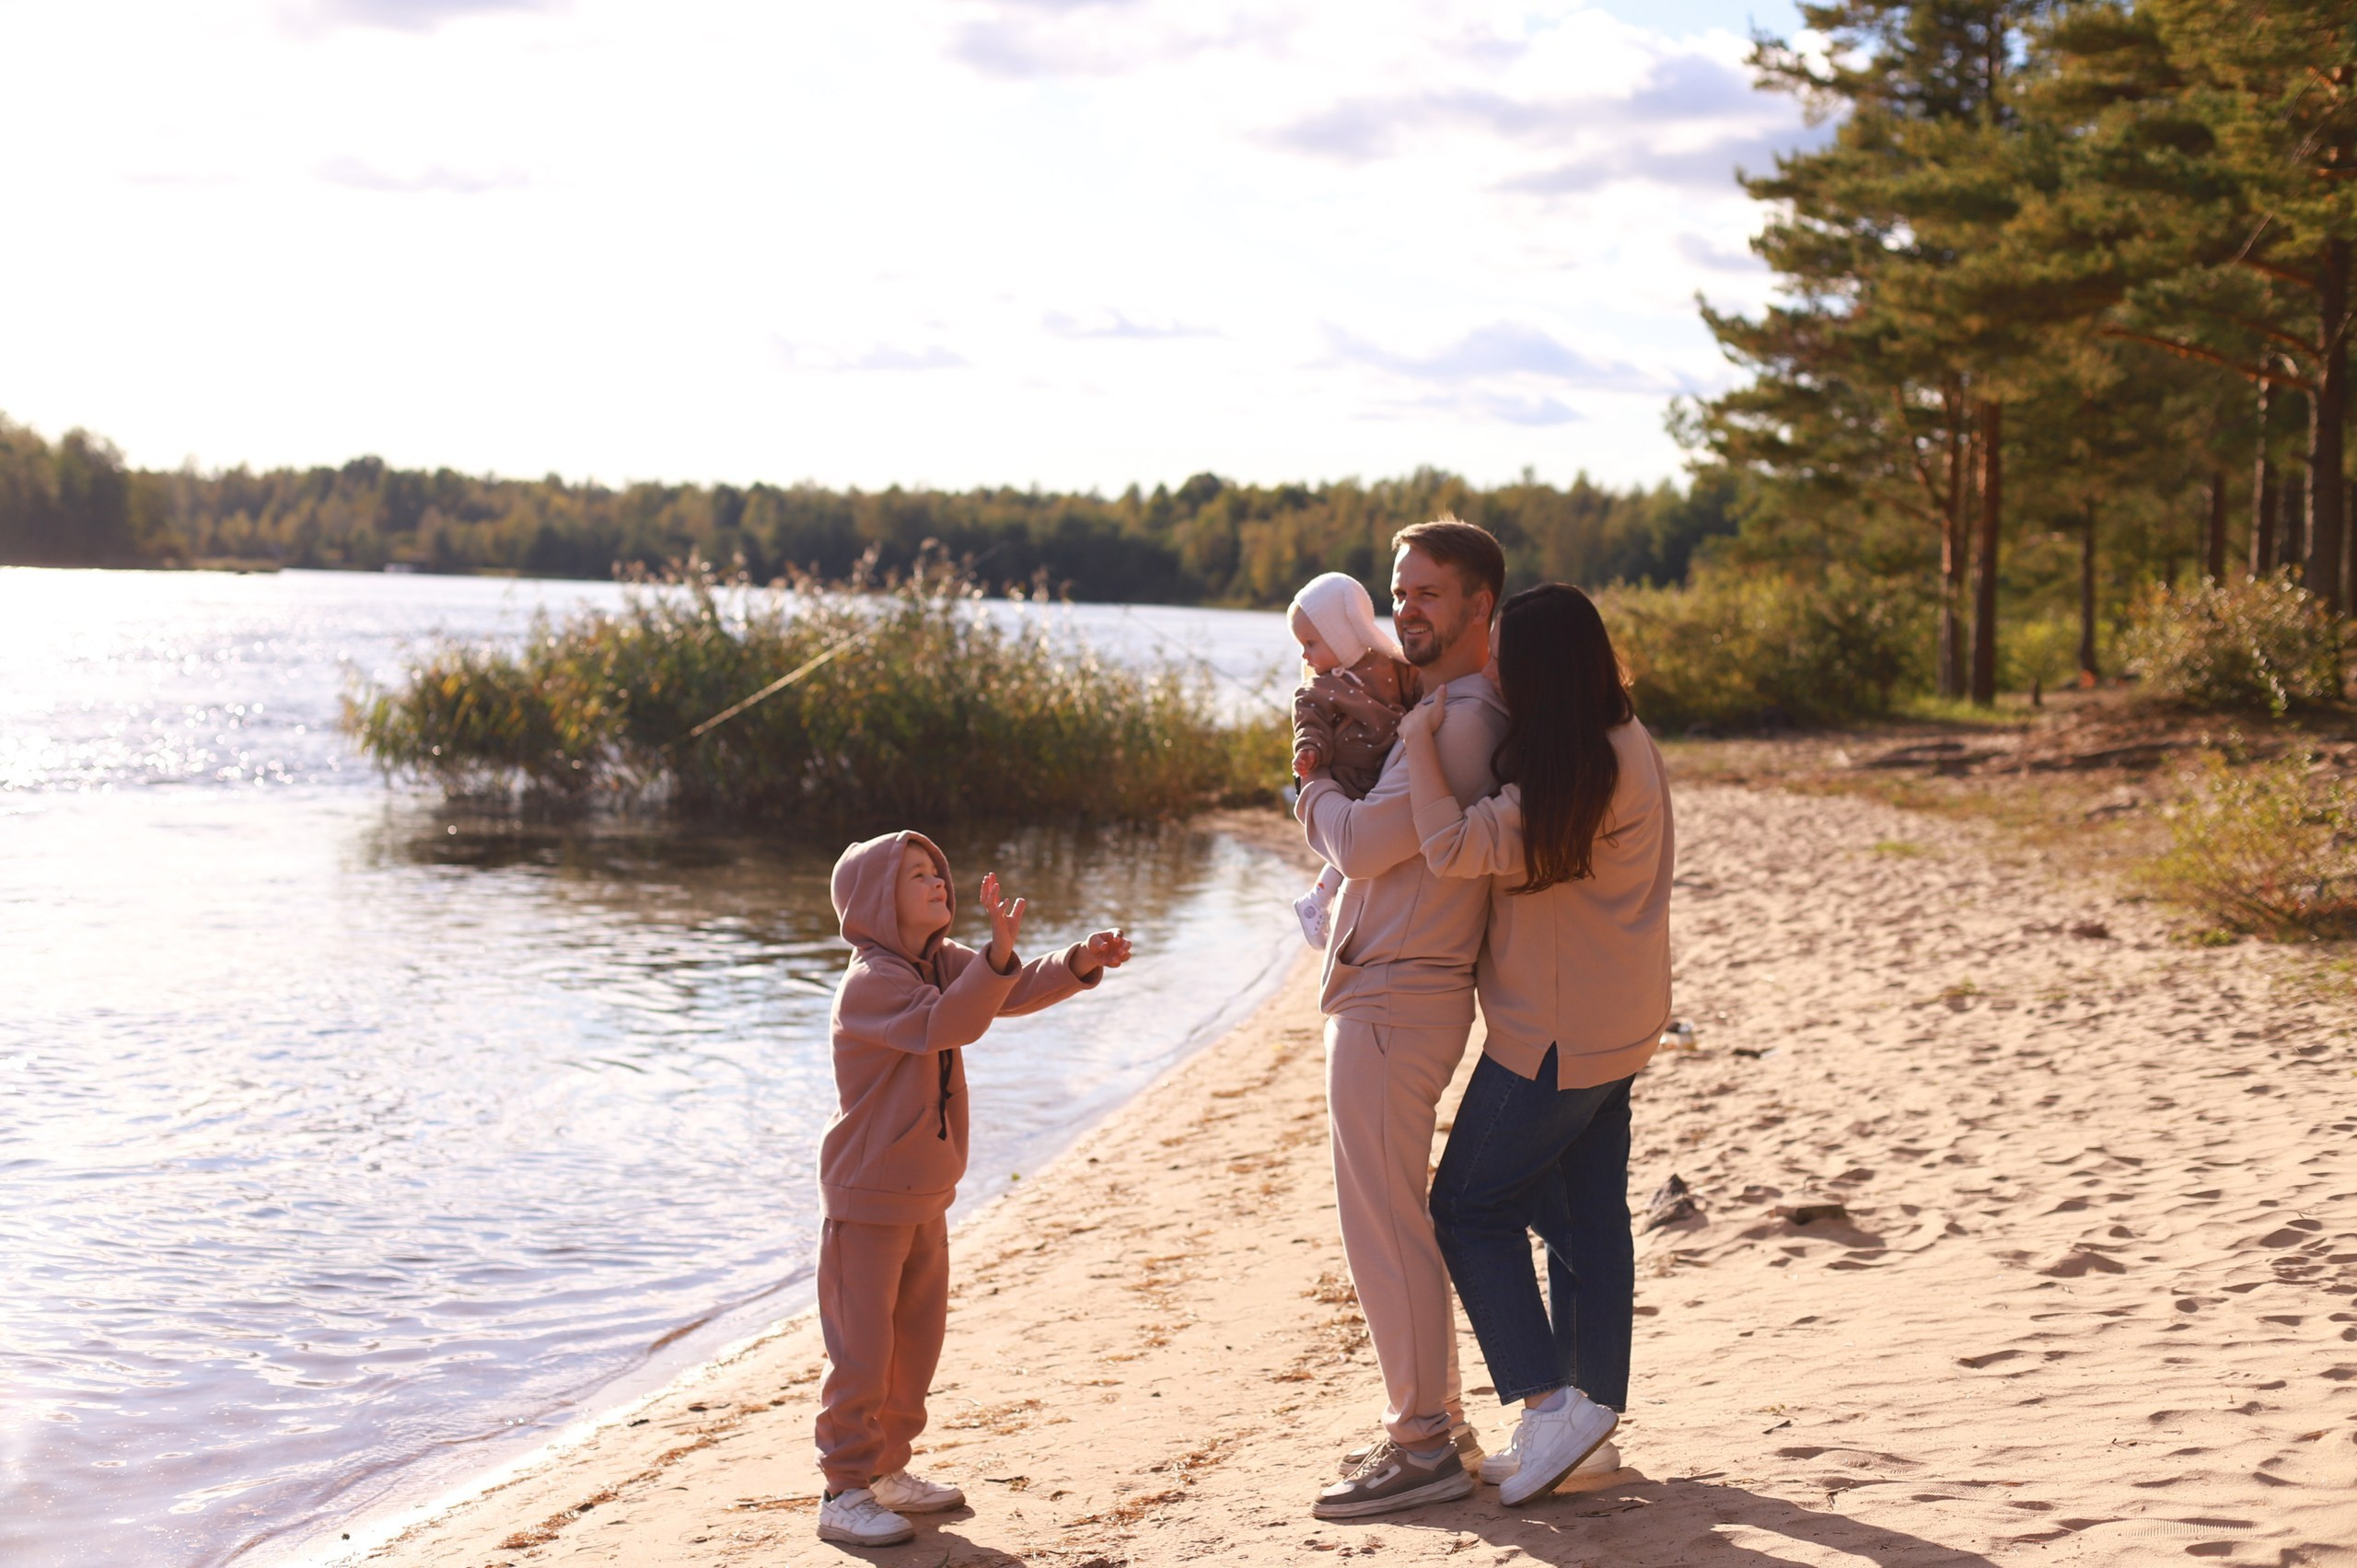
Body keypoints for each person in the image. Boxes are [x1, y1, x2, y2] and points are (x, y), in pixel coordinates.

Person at [1395, 582, 1674, 1508]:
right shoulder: (1624, 738)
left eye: (1505, 657)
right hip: (1621, 1018)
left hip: (1553, 1033)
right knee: (1587, 1218)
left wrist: (1417, 742)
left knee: (1468, 1205)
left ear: (1540, 671)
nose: (1492, 668)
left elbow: (1449, 845)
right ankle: (1585, 1427)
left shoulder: (1573, 774)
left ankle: (1550, 1402)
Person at [813, 831, 1132, 1548]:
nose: (938, 882)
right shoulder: (872, 982)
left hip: (925, 1191)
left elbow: (1006, 990)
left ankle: (886, 1469)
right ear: (875, 900)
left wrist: (1079, 959)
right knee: (862, 1353)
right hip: (867, 1196)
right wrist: (994, 955)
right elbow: (948, 1021)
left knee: (914, 1347)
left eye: (937, 871)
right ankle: (843, 1488)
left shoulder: (937, 961)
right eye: (916, 875)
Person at [1295, 517, 1509, 1521]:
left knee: (1385, 1226)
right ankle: (1438, 1422)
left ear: (1479, 604)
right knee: (1385, 1218)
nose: (1407, 608)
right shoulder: (1435, 705)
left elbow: (1364, 841)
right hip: (1388, 985)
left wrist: (1308, 786)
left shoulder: (1463, 718)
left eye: (1430, 591)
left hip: (1397, 991)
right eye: (1399, 591)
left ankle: (1422, 1440)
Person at [1286, 571, 1421, 948]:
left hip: (1384, 770)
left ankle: (1318, 901)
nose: (1304, 654)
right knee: (1354, 843)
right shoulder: (1318, 689)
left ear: (1341, 634)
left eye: (1311, 642)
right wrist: (1309, 751)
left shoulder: (1391, 665)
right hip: (1348, 773)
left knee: (1369, 845)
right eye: (1301, 645)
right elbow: (1309, 724)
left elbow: (1418, 689)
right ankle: (1319, 901)